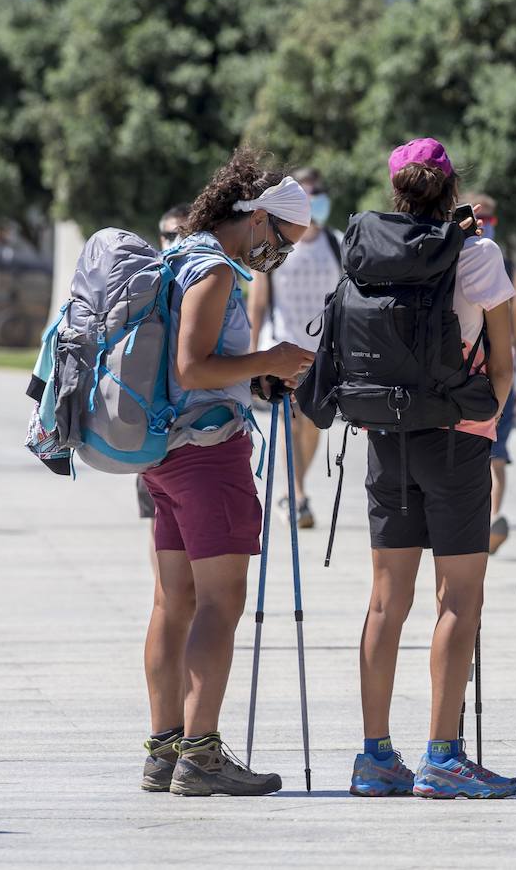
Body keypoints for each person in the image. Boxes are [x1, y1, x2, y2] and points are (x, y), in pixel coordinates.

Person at [139, 149, 316, 796]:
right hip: (208, 457)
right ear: (258, 215)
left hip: (162, 453)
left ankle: (164, 749)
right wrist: (269, 356)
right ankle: (202, 754)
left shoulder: (180, 255)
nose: (280, 256)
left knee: (172, 602)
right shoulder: (214, 271)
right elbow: (192, 368)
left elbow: (194, 368)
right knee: (220, 602)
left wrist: (254, 376)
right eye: (280, 240)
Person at [350, 138, 516, 799]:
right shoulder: (477, 253)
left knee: (387, 601)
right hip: (457, 439)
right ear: (452, 189)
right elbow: (501, 362)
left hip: (386, 436)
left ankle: (374, 758)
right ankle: (444, 758)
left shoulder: (371, 253)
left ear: (397, 191)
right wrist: (487, 415)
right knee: (460, 598)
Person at [248, 167, 344, 529]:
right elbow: (257, 303)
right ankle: (297, 493)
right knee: (290, 422)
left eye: (319, 192)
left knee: (312, 426)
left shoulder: (337, 242)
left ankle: (294, 490)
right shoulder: (277, 244)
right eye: (308, 193)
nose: (316, 198)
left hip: (324, 354)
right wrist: (254, 355)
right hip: (281, 348)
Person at [458, 192, 516, 555]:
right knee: (479, 451)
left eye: (491, 219)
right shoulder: (450, 257)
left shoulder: (510, 269)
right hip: (464, 375)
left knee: (497, 452)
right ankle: (477, 521)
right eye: (478, 217)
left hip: (499, 374)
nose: (484, 224)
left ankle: (490, 520)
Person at [137, 203, 193, 525]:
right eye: (171, 234)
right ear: (160, 237)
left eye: (184, 233)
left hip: (185, 422)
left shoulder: (198, 279)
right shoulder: (147, 283)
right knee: (158, 517)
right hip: (151, 422)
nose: (177, 240)